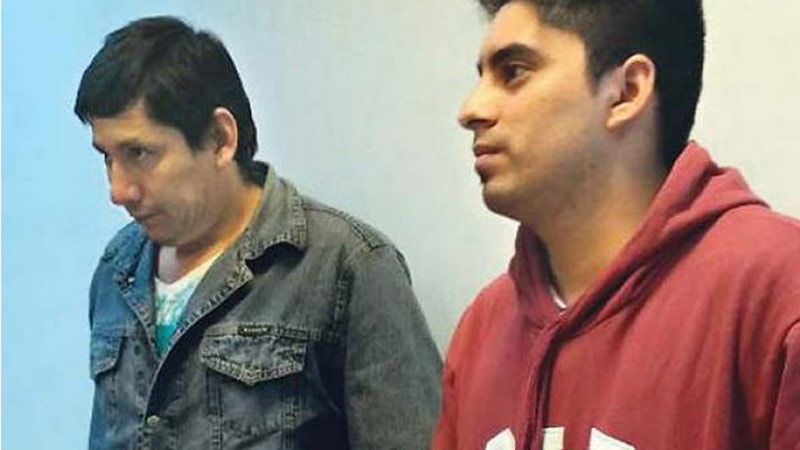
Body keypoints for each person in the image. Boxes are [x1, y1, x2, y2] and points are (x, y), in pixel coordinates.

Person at [433, 1, 800, 449]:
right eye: (481, 77)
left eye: (513, 72)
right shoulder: (483, 328)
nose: (471, 109)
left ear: (627, 91)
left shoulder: (777, 293)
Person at [76, 16, 441, 450]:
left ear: (220, 138)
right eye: (107, 157)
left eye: (139, 153)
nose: (118, 190)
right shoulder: (118, 269)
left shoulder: (345, 266)